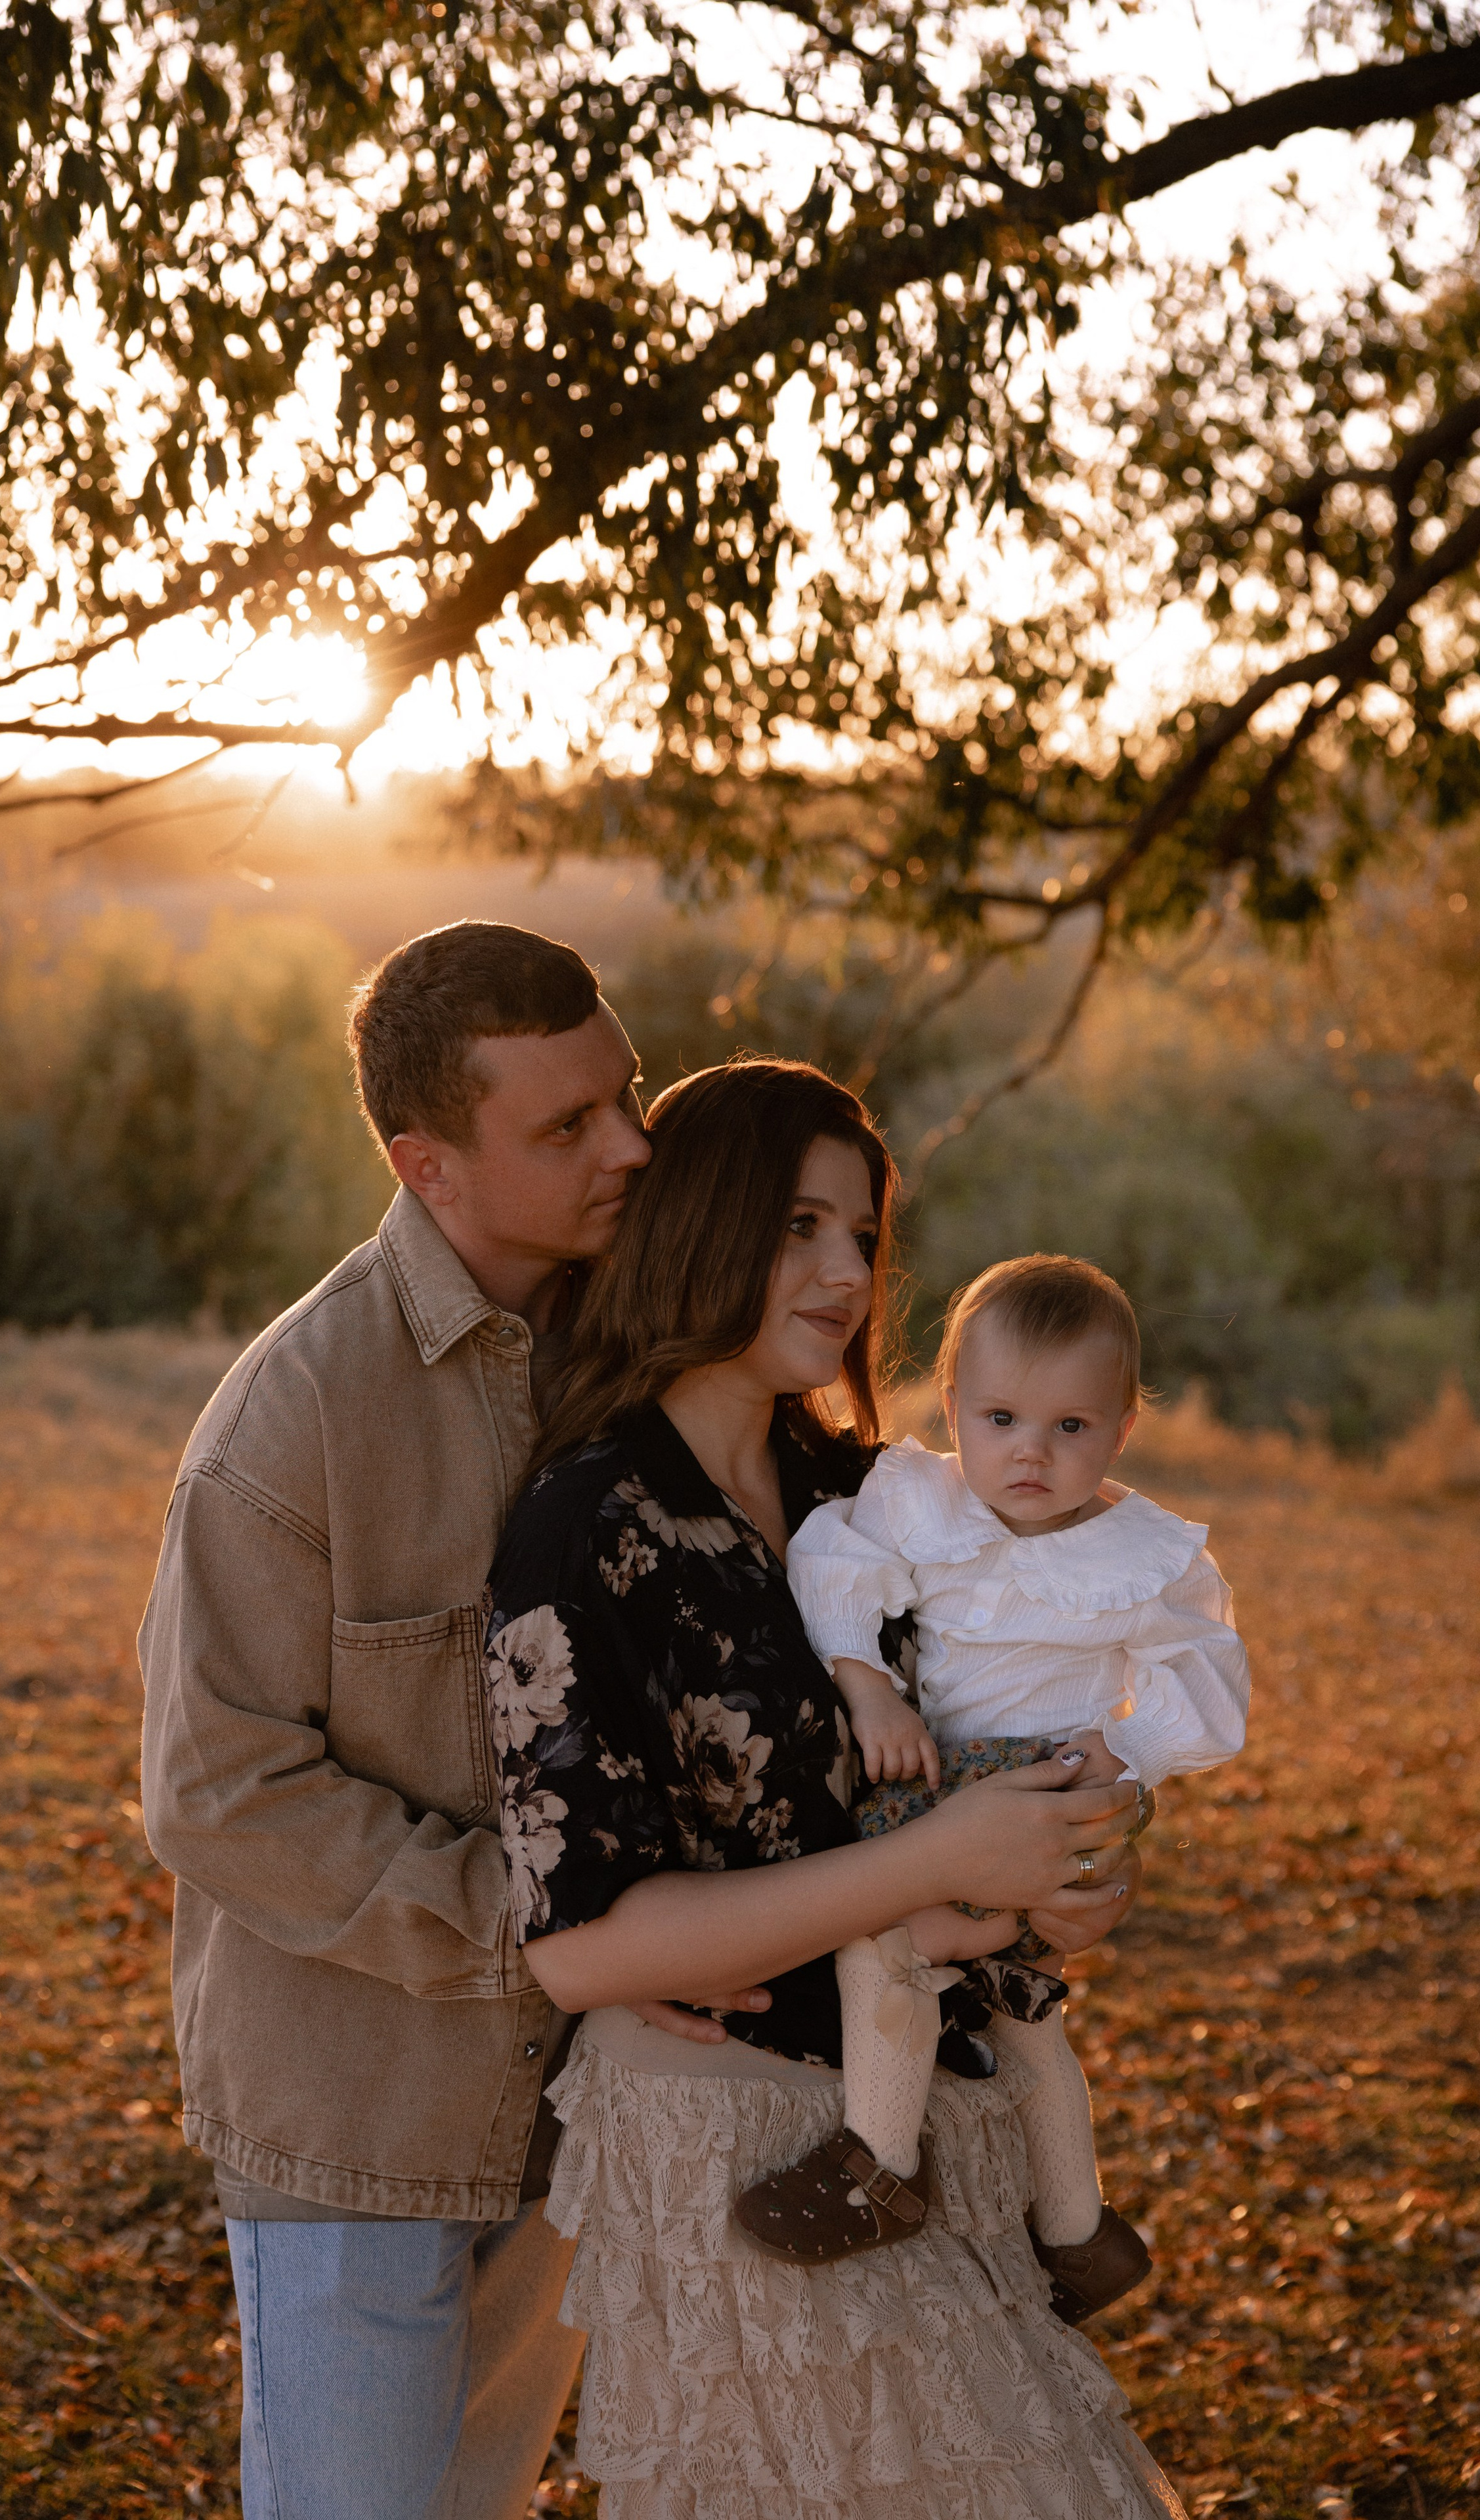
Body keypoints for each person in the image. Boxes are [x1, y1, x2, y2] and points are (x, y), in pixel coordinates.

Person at [485, 1058, 1185, 2520]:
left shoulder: (874, 1498)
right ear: (696, 1221)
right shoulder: (588, 1523)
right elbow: (581, 1938)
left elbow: (1027, 1715)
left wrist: (1071, 1868)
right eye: (798, 1224)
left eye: (861, 1234)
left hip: (940, 2110)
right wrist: (948, 1854)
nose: (844, 1270)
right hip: (734, 2150)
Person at [140, 921, 749, 2520]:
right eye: (566, 1126)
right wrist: (544, 1932)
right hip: (355, 2120)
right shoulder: (295, 1415)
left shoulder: (641, 1354)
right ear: (428, 1162)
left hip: (577, 2104)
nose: (630, 1144)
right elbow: (216, 1789)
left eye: (626, 1093)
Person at [737, 1252, 1248, 2323]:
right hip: (941, 1785)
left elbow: (1205, 1668)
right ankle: (1079, 2230)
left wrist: (1127, 1755)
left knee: (882, 1944)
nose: (1031, 1451)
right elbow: (833, 1564)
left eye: (1072, 1427)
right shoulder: (925, 1503)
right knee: (1027, 2016)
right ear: (956, 1403)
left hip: (1048, 1794)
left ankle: (878, 2161)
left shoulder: (1141, 1553)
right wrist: (869, 1690)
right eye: (1003, 1416)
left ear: (1121, 1428)